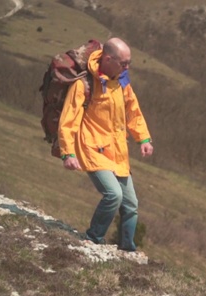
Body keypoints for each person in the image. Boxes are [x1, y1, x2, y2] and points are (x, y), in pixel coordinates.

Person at [58, 37, 153, 252]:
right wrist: (68, 153)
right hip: (91, 148)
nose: (127, 67)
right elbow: (68, 120)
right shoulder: (83, 85)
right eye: (124, 63)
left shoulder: (122, 82)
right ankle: (93, 238)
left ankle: (127, 249)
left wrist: (143, 139)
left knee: (131, 204)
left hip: (117, 150)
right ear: (108, 59)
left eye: (129, 63)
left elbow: (133, 112)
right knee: (113, 195)